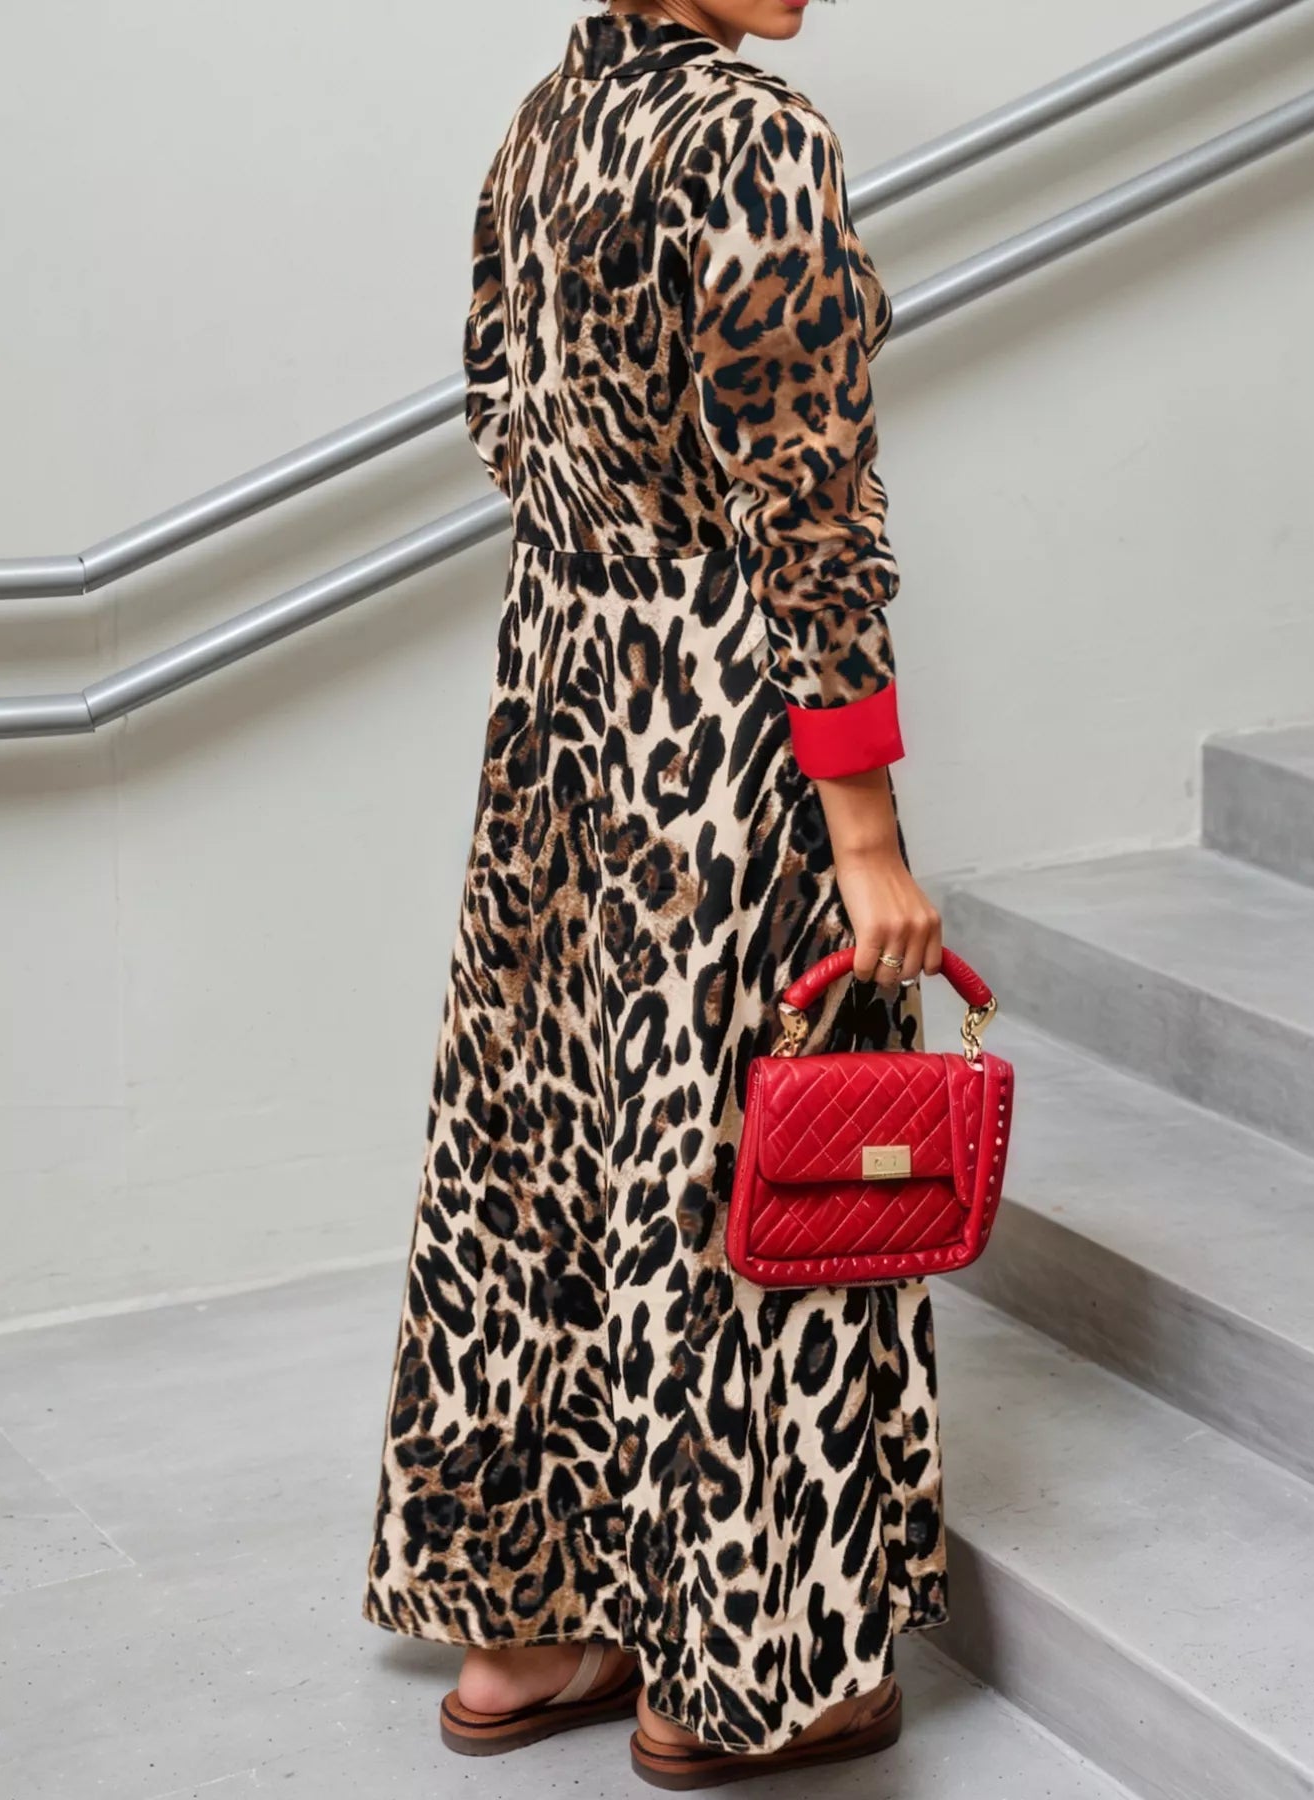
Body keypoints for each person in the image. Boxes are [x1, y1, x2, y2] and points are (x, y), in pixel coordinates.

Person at [363, 0, 948, 1782]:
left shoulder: (548, 123)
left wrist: (608, 572)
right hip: (713, 724)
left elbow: (492, 411)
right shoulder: (754, 135)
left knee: (538, 1149)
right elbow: (808, 507)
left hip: (556, 702)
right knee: (746, 1170)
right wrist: (862, 834)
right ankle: (737, 1674)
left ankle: (525, 1636)